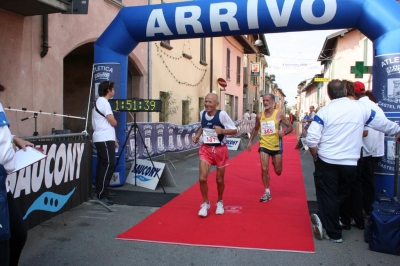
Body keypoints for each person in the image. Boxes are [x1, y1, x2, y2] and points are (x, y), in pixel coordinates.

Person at [306, 79, 400, 243]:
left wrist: (315, 156)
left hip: (327, 160)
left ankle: (333, 233)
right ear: (345, 91)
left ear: (328, 94)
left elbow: (312, 139)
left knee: (327, 195)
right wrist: (397, 130)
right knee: (341, 194)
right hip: (350, 163)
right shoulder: (361, 109)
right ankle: (329, 220)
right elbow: (382, 124)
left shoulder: (324, 111)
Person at [0, 83, 33, 266]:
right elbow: (5, 156)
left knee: (18, 233)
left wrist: (14, 139)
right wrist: (12, 156)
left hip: (3, 187)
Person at [192, 93, 237, 217]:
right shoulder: (202, 113)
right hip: (206, 149)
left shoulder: (222, 115)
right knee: (202, 178)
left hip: (220, 150)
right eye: (206, 101)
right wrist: (197, 135)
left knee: (219, 180)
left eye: (210, 102)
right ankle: (206, 203)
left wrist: (222, 131)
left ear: (216, 104)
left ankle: (220, 201)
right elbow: (203, 125)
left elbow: (234, 129)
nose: (207, 104)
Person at [246, 93, 293, 202]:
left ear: (273, 102)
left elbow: (290, 127)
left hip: (276, 145)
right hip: (264, 145)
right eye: (264, 100)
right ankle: (267, 192)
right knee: (264, 169)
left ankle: (274, 162)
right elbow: (256, 129)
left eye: (267, 100)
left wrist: (284, 133)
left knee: (278, 171)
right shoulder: (259, 116)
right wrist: (249, 142)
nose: (265, 103)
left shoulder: (279, 115)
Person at [92, 80, 119, 206]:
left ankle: (102, 190)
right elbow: (113, 123)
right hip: (103, 138)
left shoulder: (101, 102)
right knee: (108, 164)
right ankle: (101, 193)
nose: (114, 91)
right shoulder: (103, 102)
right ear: (108, 90)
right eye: (112, 89)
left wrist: (114, 139)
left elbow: (107, 125)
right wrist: (115, 121)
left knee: (104, 165)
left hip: (105, 137)